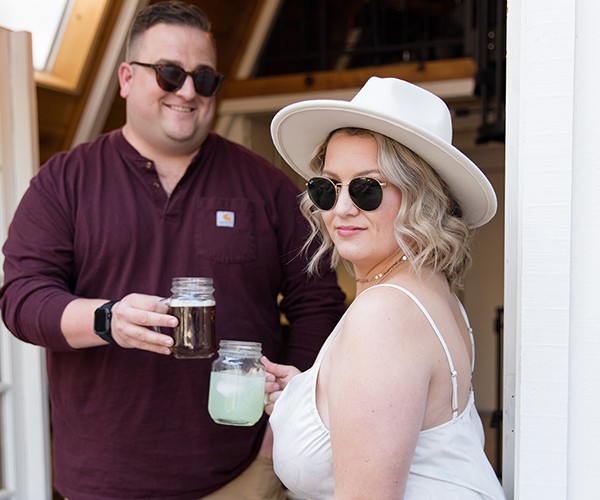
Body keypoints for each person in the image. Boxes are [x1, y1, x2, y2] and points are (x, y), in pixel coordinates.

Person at [0, 2, 346, 499]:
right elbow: (23, 298)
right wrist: (107, 319)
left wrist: (282, 432)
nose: (187, 91)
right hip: (102, 481)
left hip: (241, 475)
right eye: (169, 73)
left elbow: (318, 305)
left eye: (204, 78)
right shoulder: (65, 181)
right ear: (126, 78)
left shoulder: (265, 186)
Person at [263, 76, 506, 499]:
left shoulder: (384, 314)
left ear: (421, 197)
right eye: (327, 187)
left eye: (366, 189)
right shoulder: (429, 290)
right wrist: (307, 397)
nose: (341, 209)